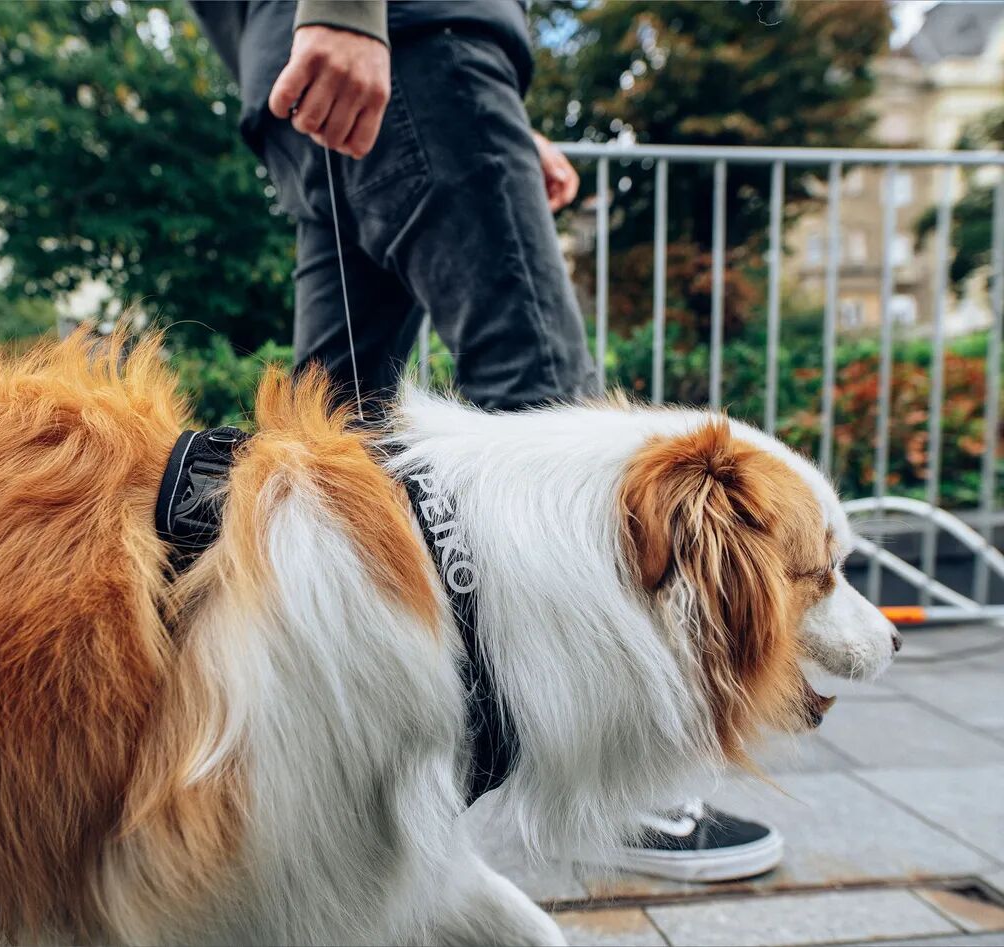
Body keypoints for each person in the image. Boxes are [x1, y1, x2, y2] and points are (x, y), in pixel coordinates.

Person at [188, 0, 782, 884]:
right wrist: (361, 21)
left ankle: (295, 750)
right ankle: (616, 795)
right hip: (409, 41)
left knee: (327, 442)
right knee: (547, 404)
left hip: (298, 78)